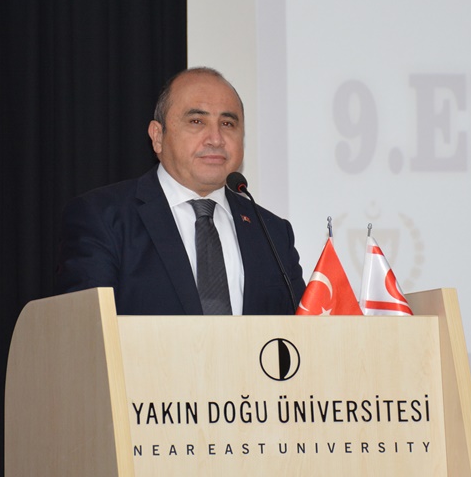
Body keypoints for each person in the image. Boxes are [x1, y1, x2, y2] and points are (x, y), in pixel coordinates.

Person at [55, 66, 306, 315]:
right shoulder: (103, 217)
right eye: (197, 121)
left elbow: (300, 330)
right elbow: (86, 328)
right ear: (157, 136)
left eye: (227, 123)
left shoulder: (272, 232)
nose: (216, 139)